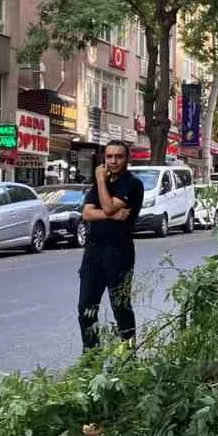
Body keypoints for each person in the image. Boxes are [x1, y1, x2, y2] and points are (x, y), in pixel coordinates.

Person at [77, 140, 144, 349]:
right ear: (104, 158)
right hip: (93, 251)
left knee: (120, 307)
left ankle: (128, 356)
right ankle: (91, 354)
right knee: (86, 307)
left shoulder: (131, 184)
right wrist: (113, 216)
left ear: (127, 159)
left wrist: (100, 182)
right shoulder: (100, 183)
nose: (113, 161)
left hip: (119, 252)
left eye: (118, 156)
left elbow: (106, 207)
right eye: (109, 156)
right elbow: (86, 213)